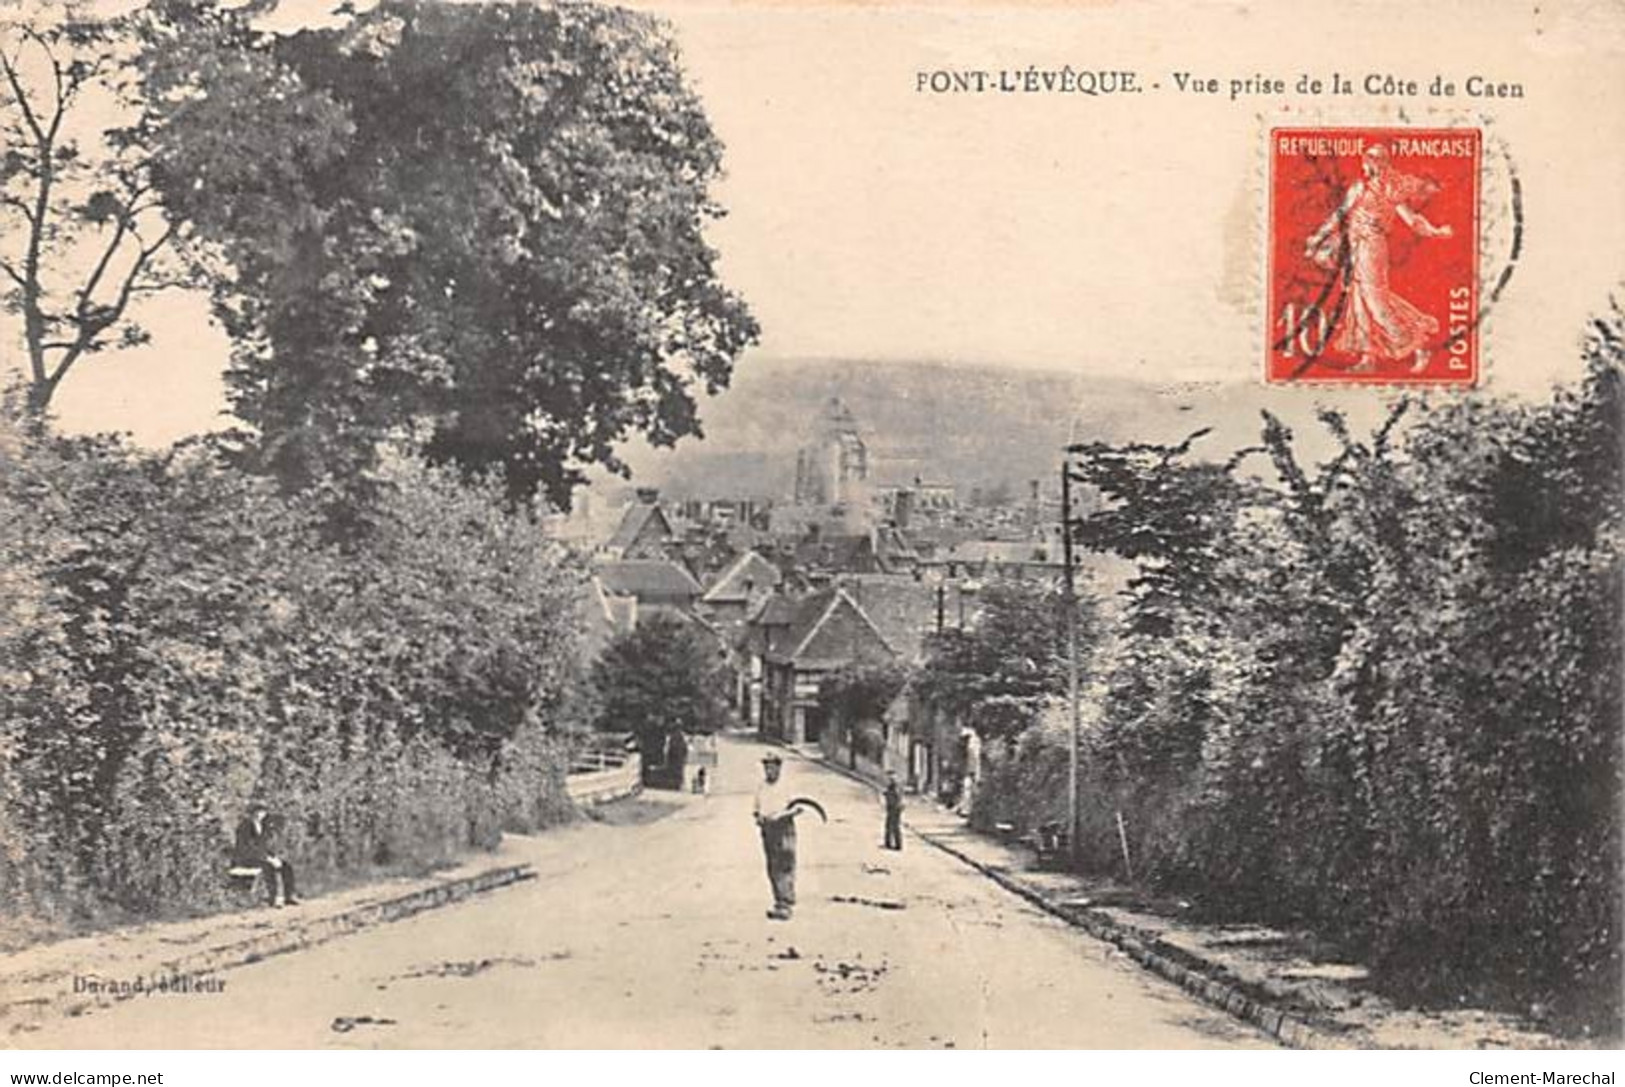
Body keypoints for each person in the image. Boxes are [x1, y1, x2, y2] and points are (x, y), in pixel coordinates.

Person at [1305, 143, 1454, 374]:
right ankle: (1367, 359)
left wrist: (1436, 232)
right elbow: (1340, 215)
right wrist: (1318, 236)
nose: (1369, 166)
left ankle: (1418, 345)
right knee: (1359, 302)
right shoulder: (1359, 188)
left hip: (1373, 247)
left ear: (1380, 164)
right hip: (1354, 246)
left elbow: (1412, 220)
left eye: (1374, 161)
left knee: (1376, 301)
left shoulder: (1391, 190)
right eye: (1369, 161)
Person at [752, 752, 802, 920]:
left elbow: (798, 808)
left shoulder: (787, 786)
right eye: (766, 767)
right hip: (768, 829)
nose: (769, 771)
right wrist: (759, 818)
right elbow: (756, 809)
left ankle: (786, 903)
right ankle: (779, 901)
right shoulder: (761, 787)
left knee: (785, 864)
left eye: (772, 767)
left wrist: (781, 815)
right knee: (772, 866)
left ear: (779, 768)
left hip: (784, 827)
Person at [233, 801, 299, 908]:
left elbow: (263, 845)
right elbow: (248, 847)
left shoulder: (263, 826)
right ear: (252, 813)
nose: (260, 814)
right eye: (257, 811)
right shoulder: (245, 826)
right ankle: (273, 898)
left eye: (262, 811)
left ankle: (289, 896)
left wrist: (272, 856)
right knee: (268, 867)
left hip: (260, 856)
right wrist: (267, 858)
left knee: (286, 866)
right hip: (246, 858)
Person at [882, 770, 904, 851]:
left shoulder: (895, 785)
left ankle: (896, 844)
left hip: (894, 807)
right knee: (891, 825)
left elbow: (897, 795)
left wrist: (887, 793)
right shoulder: (893, 785)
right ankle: (890, 843)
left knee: (893, 826)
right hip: (893, 807)